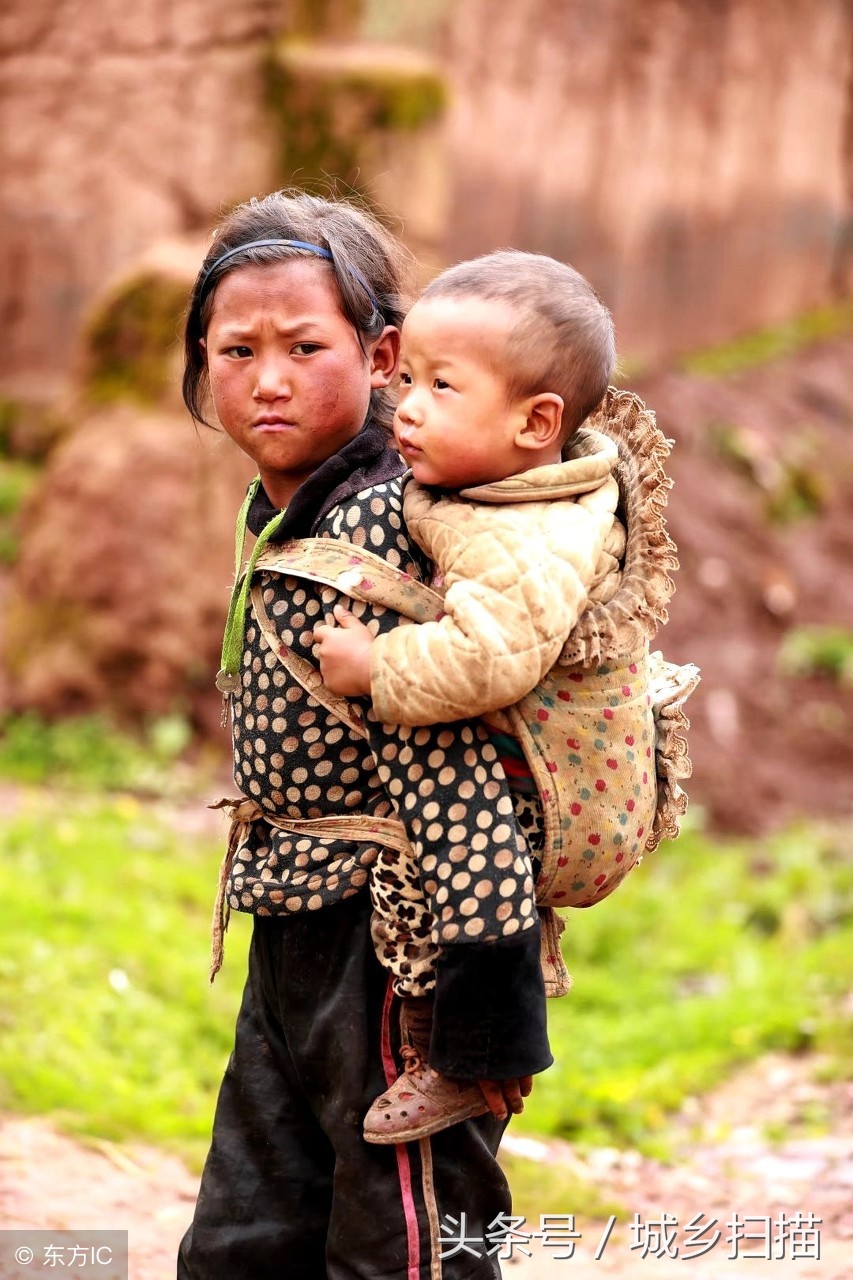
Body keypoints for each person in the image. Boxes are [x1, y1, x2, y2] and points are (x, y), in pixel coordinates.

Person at [176, 193, 553, 1280]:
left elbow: (452, 764)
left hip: (401, 948)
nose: (269, 377)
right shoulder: (288, 509)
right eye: (235, 349)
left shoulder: (391, 521)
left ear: (382, 354)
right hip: (292, 917)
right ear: (202, 364)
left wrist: (486, 1002)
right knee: (248, 1237)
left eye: (305, 345)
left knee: (409, 1240)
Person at [313, 250, 684, 1145]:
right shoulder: (498, 487)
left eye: (443, 385)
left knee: (450, 799)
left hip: (560, 794)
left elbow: (488, 661)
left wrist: (377, 666)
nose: (406, 406)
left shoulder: (529, 537)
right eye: (406, 379)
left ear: (536, 422)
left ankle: (481, 1049)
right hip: (539, 760)